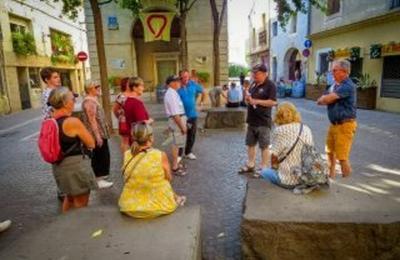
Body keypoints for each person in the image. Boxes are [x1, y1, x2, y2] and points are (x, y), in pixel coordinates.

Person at [119, 123, 186, 219]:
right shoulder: (160, 155)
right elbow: (169, 178)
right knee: (164, 181)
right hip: (159, 206)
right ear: (150, 138)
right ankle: (177, 198)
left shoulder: (127, 154)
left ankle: (176, 197)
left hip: (129, 207)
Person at [48, 87, 97, 213]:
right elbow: (91, 143)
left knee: (69, 199)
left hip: (59, 166)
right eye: (72, 98)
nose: (75, 101)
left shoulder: (51, 120)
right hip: (75, 167)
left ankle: (65, 228)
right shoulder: (72, 122)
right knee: (81, 204)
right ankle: (79, 231)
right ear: (65, 103)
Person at [317, 59, 357, 179]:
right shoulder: (335, 85)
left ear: (344, 71)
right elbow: (322, 100)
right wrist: (326, 98)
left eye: (334, 70)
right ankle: (331, 175)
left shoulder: (348, 86)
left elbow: (327, 99)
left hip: (345, 125)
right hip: (334, 124)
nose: (331, 73)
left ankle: (347, 179)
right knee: (329, 151)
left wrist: (326, 98)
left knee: (342, 156)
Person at [258, 102, 314, 188]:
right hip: (307, 177)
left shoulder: (280, 130)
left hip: (288, 180)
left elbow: (274, 155)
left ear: (278, 116)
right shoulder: (306, 128)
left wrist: (274, 167)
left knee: (263, 172)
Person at [239, 64, 277, 174]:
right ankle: (251, 165)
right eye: (253, 73)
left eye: (257, 73)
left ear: (265, 74)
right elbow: (250, 99)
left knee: (264, 146)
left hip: (263, 121)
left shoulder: (270, 85)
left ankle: (264, 168)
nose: (254, 75)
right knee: (250, 144)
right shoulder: (253, 84)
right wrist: (247, 99)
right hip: (252, 120)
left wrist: (256, 101)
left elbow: (273, 102)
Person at [81, 81, 113, 189]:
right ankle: (98, 179)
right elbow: (92, 120)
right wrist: (97, 136)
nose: (99, 88)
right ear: (90, 89)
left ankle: (100, 178)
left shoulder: (93, 100)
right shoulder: (90, 102)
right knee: (99, 155)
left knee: (102, 154)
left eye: (99, 86)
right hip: (96, 134)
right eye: (96, 87)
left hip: (99, 133)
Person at [177, 69, 205, 160]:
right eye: (183, 77)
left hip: (192, 115)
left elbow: (203, 92)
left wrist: (201, 102)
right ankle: (179, 155)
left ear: (188, 76)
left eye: (186, 76)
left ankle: (188, 152)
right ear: (180, 77)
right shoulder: (177, 87)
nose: (185, 78)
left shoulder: (193, 85)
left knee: (191, 135)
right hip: (181, 116)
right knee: (180, 135)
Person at [164, 75, 187, 176]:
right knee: (176, 144)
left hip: (178, 119)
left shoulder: (173, 93)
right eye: (177, 81)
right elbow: (175, 113)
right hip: (177, 120)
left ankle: (176, 164)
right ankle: (175, 166)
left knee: (177, 143)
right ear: (171, 83)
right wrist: (182, 126)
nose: (179, 83)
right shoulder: (171, 94)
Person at [122, 77, 153, 148]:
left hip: (133, 138)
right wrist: (150, 120)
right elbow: (142, 123)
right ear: (134, 88)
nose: (143, 88)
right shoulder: (136, 103)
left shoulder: (127, 101)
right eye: (141, 86)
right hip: (141, 141)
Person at [113, 77, 130, 153]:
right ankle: (126, 158)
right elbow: (115, 109)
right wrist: (120, 117)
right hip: (124, 121)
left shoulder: (132, 94)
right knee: (125, 140)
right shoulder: (121, 96)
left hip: (130, 120)